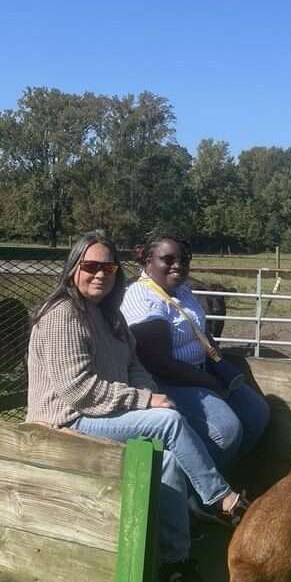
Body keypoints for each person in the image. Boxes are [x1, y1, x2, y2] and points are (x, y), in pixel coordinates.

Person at [26, 231, 247, 582]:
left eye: (109, 267)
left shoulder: (109, 315)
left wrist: (147, 391)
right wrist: (145, 401)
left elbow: (134, 365)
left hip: (102, 410)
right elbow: (77, 390)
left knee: (168, 462)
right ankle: (223, 500)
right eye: (91, 266)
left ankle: (176, 562)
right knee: (167, 422)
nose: (100, 274)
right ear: (73, 268)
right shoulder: (62, 314)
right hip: (65, 418)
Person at [120, 229, 270, 471]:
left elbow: (197, 328)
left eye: (183, 260)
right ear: (148, 261)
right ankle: (191, 488)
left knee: (256, 412)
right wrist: (210, 382)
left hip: (199, 371)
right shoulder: (143, 298)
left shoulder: (181, 290)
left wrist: (217, 362)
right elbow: (159, 363)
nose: (178, 265)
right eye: (168, 259)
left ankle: (224, 473)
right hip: (165, 382)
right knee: (226, 431)